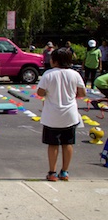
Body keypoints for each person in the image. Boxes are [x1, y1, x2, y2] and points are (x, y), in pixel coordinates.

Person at [37, 48, 86, 182]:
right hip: (69, 114)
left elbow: (40, 92)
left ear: (55, 61)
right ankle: (64, 172)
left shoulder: (49, 74)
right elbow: (82, 93)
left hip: (52, 114)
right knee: (68, 143)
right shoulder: (74, 74)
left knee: (53, 144)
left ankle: (52, 172)